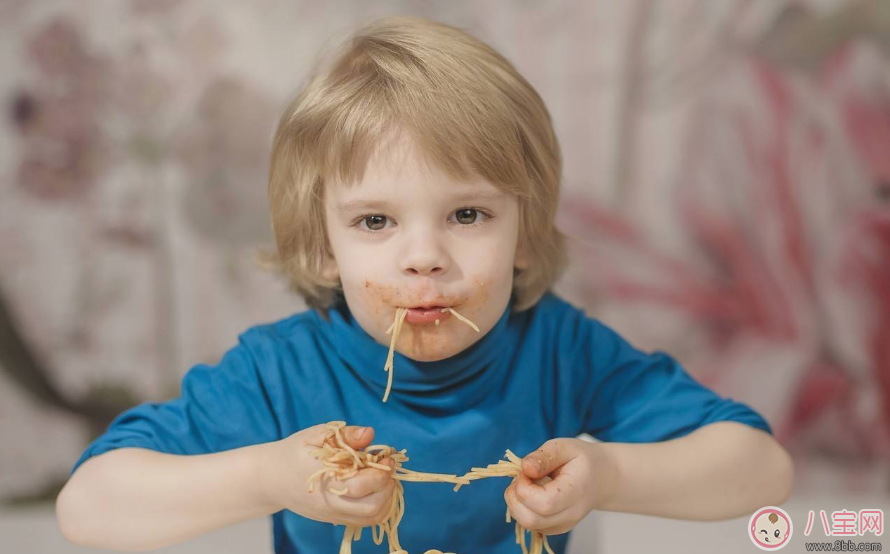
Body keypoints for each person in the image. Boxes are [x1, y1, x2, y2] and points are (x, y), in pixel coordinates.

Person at [55, 16, 794, 554]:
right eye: (375, 221)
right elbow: (88, 509)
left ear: (524, 236)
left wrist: (609, 474)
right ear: (321, 249)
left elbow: (761, 471)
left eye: (467, 213)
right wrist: (268, 477)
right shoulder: (280, 372)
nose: (424, 257)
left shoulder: (562, 349)